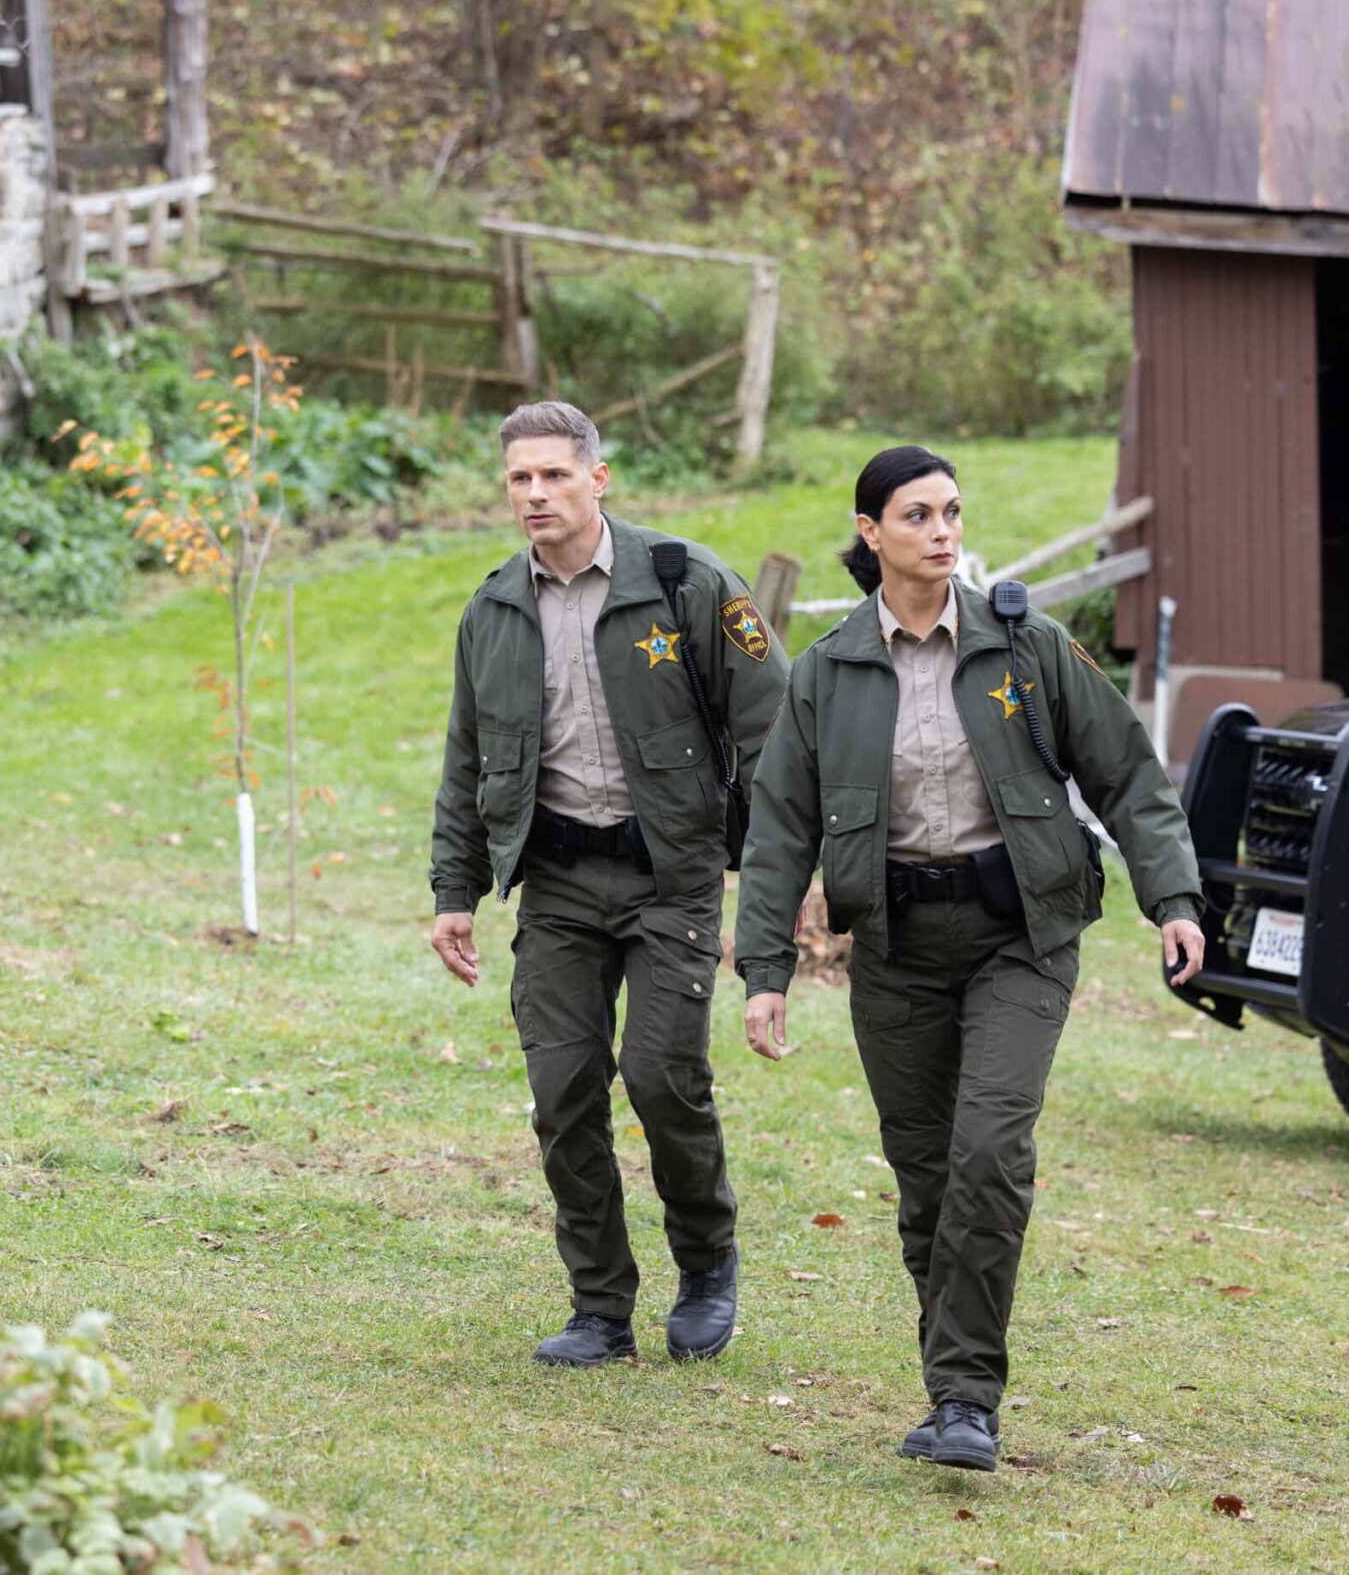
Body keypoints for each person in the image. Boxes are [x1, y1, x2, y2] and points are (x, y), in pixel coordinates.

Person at [733, 445, 1203, 1471]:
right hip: (895, 949)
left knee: (988, 1154)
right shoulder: (825, 672)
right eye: (916, 515)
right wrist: (764, 969)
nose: (942, 531)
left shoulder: (1024, 643)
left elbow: (1124, 771)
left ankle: (965, 1401)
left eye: (952, 512)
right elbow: (777, 828)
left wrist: (1171, 894)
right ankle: (950, 1389)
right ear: (870, 533)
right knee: (927, 1180)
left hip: (1019, 938)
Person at [430, 401, 789, 1366]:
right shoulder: (496, 607)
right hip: (554, 880)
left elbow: (772, 736)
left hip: (668, 880)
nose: (535, 494)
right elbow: (470, 760)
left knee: (661, 1077)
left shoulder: (689, 583)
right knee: (562, 1088)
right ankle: (599, 1306)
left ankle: (708, 1265)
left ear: (599, 478)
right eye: (519, 479)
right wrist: (453, 892)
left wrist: (778, 879)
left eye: (553, 474)